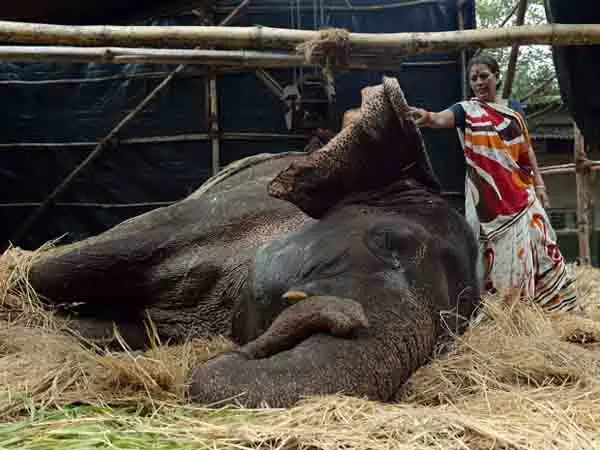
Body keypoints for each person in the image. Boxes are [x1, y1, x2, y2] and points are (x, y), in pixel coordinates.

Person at [409, 54, 579, 313]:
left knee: (542, 244)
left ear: (496, 76)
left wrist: (540, 186)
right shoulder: (466, 110)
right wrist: (428, 116)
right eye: (474, 78)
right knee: (489, 256)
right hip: (487, 203)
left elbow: (526, 152)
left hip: (521, 195)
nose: (479, 82)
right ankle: (505, 312)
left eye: (484, 76)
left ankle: (549, 307)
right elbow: (442, 118)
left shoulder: (513, 110)